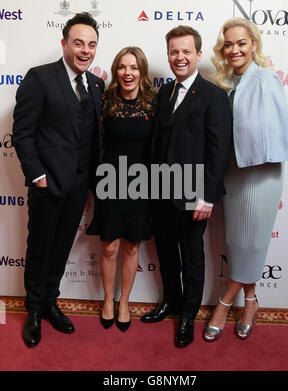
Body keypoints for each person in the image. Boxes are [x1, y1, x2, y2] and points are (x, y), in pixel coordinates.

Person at [12, 12, 104, 348]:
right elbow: (22, 133)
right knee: (40, 249)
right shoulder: (40, 78)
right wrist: (37, 176)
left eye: (92, 45)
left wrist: (94, 184)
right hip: (46, 186)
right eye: (78, 43)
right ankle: (34, 309)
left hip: (79, 187)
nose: (85, 50)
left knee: (62, 248)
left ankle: (51, 301)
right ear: (64, 43)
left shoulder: (95, 85)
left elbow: (93, 138)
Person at [140, 25, 232, 348]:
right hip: (162, 192)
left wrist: (207, 196)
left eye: (186, 51)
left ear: (198, 54)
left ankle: (188, 314)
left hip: (195, 196)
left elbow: (218, 150)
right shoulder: (164, 92)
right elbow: (157, 143)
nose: (180, 57)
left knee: (192, 256)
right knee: (166, 252)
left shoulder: (214, 96)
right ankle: (172, 302)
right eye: (174, 52)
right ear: (168, 55)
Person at [204, 18, 288, 342]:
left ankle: (226, 302)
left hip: (261, 174)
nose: (234, 50)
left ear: (254, 44)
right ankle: (252, 301)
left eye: (241, 43)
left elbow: (274, 132)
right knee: (239, 242)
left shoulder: (266, 78)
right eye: (228, 44)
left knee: (253, 242)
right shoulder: (230, 83)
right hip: (234, 174)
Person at [87, 47, 155, 332]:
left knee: (130, 246)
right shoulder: (104, 102)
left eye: (134, 67)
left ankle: (124, 301)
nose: (128, 73)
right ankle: (107, 300)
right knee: (110, 247)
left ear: (142, 71)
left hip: (142, 184)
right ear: (116, 71)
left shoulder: (154, 103)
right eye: (122, 67)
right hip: (109, 182)